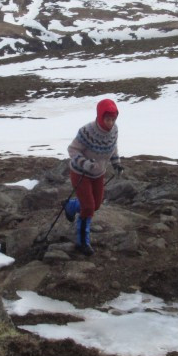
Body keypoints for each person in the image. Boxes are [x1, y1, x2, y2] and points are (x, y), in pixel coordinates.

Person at [63, 98, 123, 256]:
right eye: (107, 119)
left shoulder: (115, 130)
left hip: (98, 174)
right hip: (80, 173)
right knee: (89, 207)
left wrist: (116, 163)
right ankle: (82, 242)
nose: (110, 122)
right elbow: (72, 150)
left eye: (113, 119)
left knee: (95, 205)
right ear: (100, 116)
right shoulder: (87, 131)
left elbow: (113, 147)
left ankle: (70, 206)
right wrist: (85, 163)